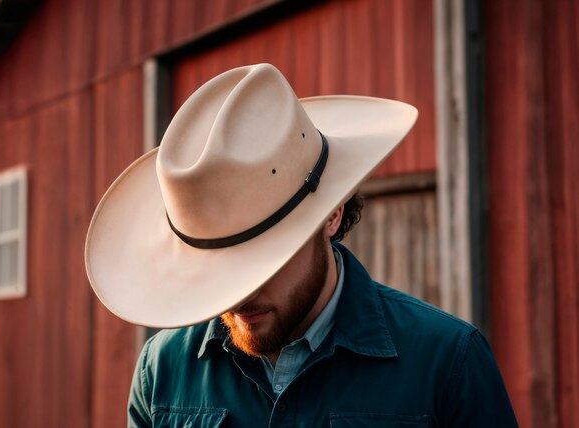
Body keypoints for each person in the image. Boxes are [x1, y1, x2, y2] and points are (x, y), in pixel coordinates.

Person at [85, 63, 518, 427]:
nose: (237, 295)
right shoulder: (160, 373)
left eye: (261, 258)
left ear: (331, 215)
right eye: (215, 266)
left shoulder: (448, 364)